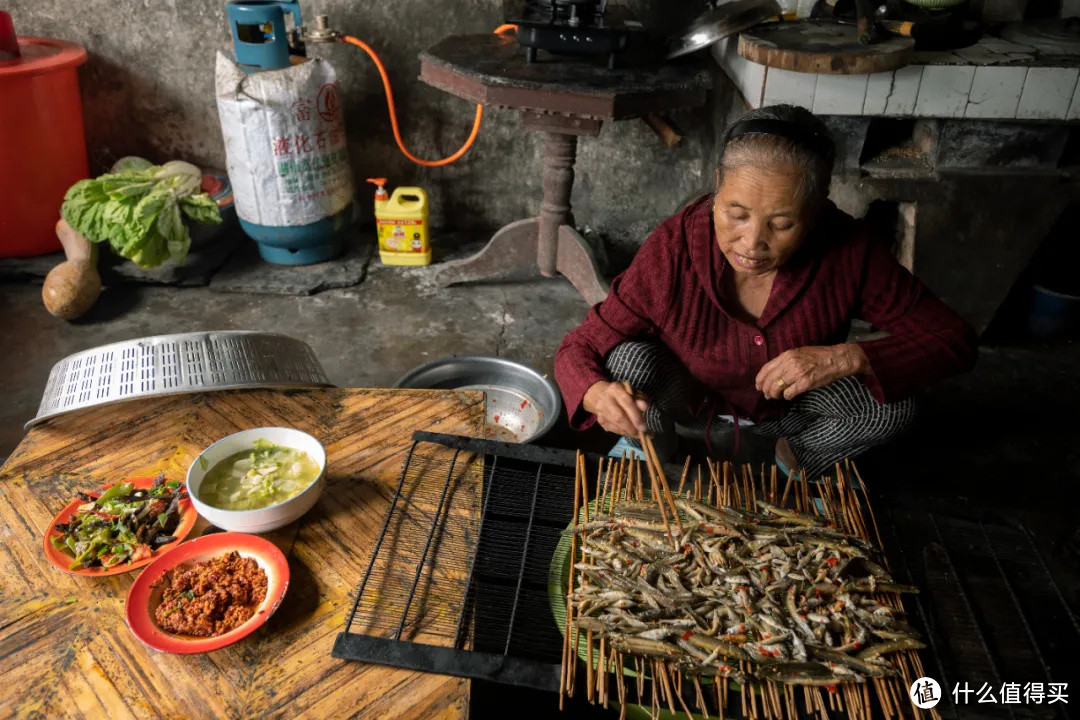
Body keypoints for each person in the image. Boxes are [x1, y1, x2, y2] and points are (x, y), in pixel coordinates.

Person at [554, 104, 977, 479]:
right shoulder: (675, 247)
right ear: (718, 184)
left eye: (781, 224)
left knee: (895, 407)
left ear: (816, 206)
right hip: (691, 400)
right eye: (735, 215)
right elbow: (579, 345)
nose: (752, 244)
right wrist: (595, 394)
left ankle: (800, 456)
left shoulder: (849, 250)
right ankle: (654, 452)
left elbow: (954, 339)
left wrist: (845, 356)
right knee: (627, 360)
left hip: (791, 409)